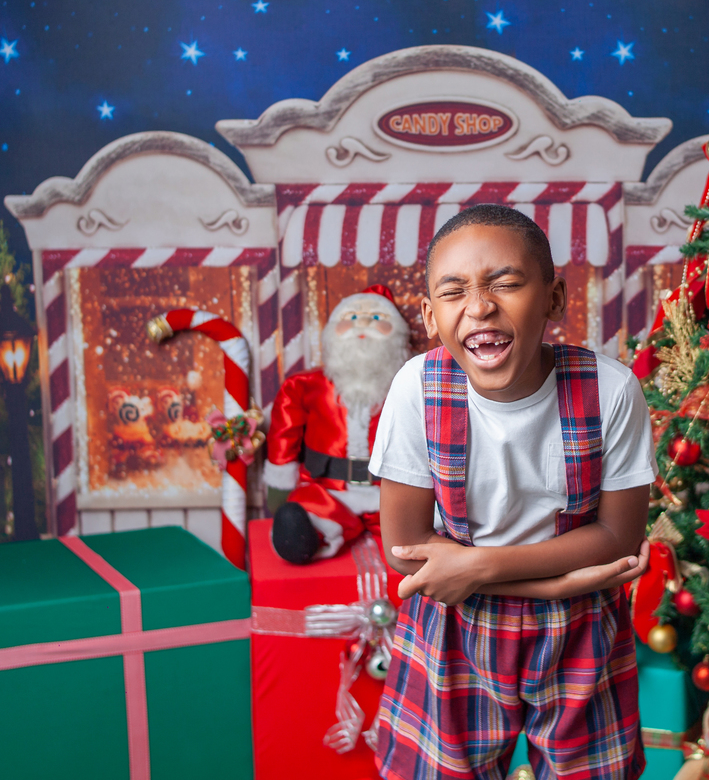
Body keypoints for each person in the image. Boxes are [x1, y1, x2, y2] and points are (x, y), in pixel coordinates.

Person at [369, 204, 655, 780]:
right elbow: (405, 555)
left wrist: (480, 567)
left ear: (554, 297)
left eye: (506, 284)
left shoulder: (611, 390)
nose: (479, 306)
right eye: (454, 292)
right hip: (453, 620)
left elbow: (617, 537)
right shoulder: (416, 389)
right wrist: (550, 580)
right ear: (429, 315)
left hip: (579, 623)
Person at [265, 284, 412, 563]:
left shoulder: (413, 386)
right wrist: (278, 486)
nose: (363, 325)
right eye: (352, 317)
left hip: (393, 494)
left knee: (423, 525)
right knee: (304, 514)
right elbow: (284, 434)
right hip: (328, 491)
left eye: (377, 319)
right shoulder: (305, 386)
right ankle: (307, 534)